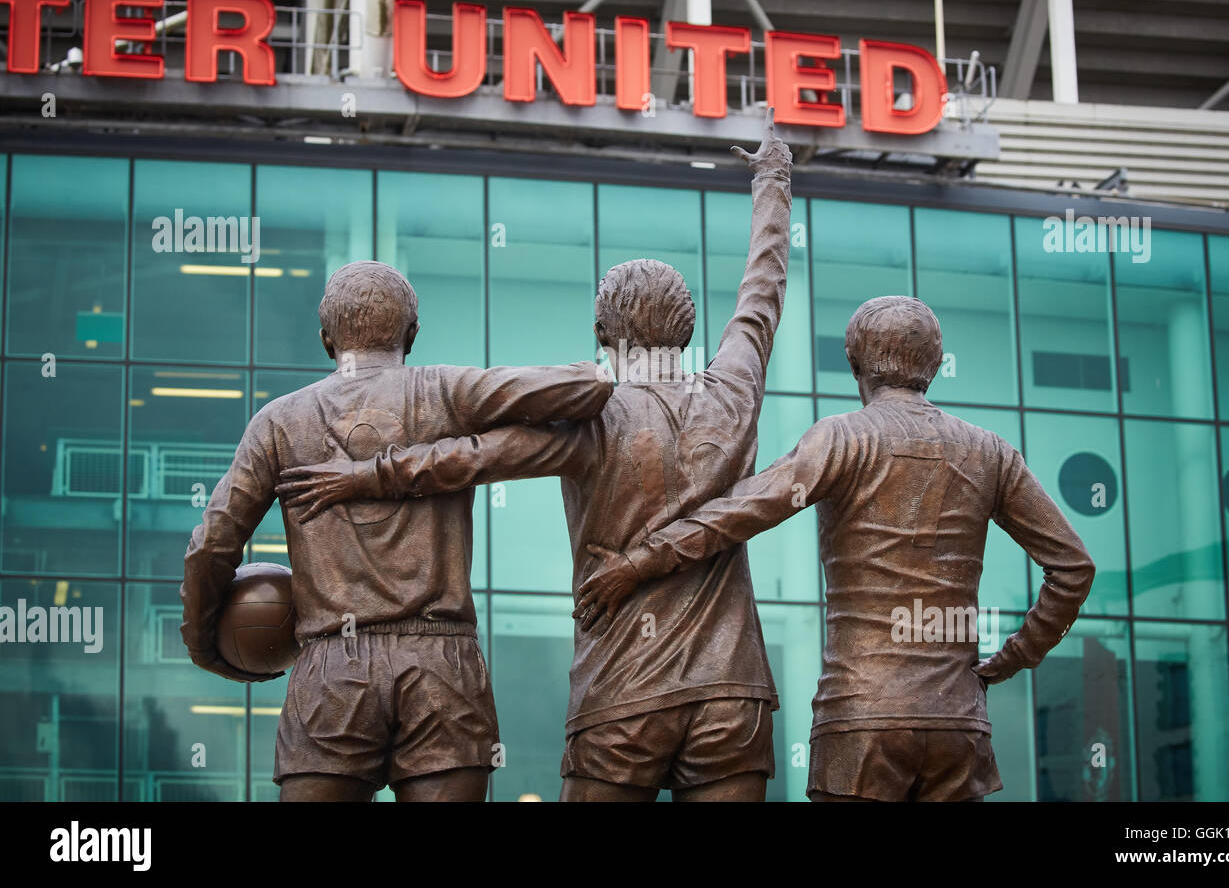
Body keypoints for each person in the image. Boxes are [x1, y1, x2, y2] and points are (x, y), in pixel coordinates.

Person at [276, 109, 794, 801]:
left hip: (622, 694)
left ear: (602, 332)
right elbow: (762, 291)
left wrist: (363, 474)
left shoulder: (595, 414)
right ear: (689, 328)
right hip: (734, 694)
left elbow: (469, 460)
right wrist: (774, 177)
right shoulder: (734, 391)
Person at [575, 295, 1096, 801]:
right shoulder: (991, 453)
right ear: (935, 364)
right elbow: (1074, 569)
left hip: (860, 720)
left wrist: (641, 560)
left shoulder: (843, 439)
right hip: (958, 724)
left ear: (853, 363)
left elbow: (737, 513)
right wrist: (1009, 659)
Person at [180, 261, 612, 802]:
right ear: (411, 335)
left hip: (333, 669)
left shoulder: (279, 422)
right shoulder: (447, 392)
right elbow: (588, 386)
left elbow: (212, 545)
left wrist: (205, 646)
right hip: (442, 665)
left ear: (326, 341)